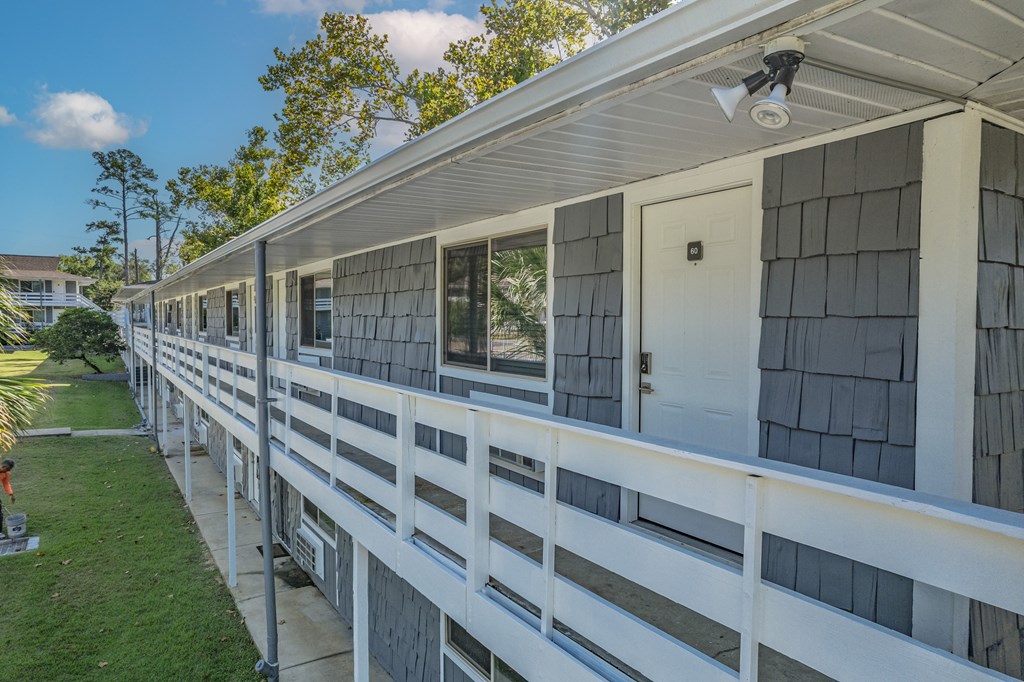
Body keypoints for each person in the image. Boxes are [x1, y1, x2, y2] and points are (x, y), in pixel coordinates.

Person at [0, 459, 14, 538]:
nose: (5, 471)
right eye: (4, 468)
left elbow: (6, 484)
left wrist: (11, 494)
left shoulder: (6, 473)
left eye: (8, 470)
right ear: (2, 465)